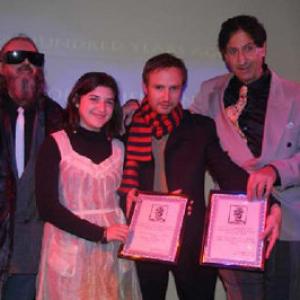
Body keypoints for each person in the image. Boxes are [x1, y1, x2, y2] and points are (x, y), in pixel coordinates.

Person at [119, 53, 271, 300]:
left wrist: (269, 204)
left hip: (191, 237)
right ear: (145, 87)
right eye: (159, 87)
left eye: (174, 88)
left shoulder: (199, 127)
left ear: (182, 89)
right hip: (144, 237)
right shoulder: (128, 128)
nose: (166, 97)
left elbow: (229, 173)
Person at [190, 15, 299, 300]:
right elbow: (186, 136)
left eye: (249, 48)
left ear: (263, 48)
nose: (242, 59)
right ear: (225, 56)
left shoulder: (295, 95)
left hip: (289, 218)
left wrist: (276, 169)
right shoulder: (210, 93)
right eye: (233, 51)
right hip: (235, 218)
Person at [35, 72, 142, 300]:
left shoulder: (119, 147)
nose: (101, 108)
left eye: (109, 101)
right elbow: (47, 207)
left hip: (111, 250)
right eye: (94, 99)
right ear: (76, 100)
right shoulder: (55, 143)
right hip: (69, 248)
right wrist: (100, 233)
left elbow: (122, 197)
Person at [0, 35, 64, 300]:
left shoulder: (56, 116)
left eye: (34, 59)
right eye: (16, 57)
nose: (26, 63)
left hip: (30, 251)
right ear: (1, 66)